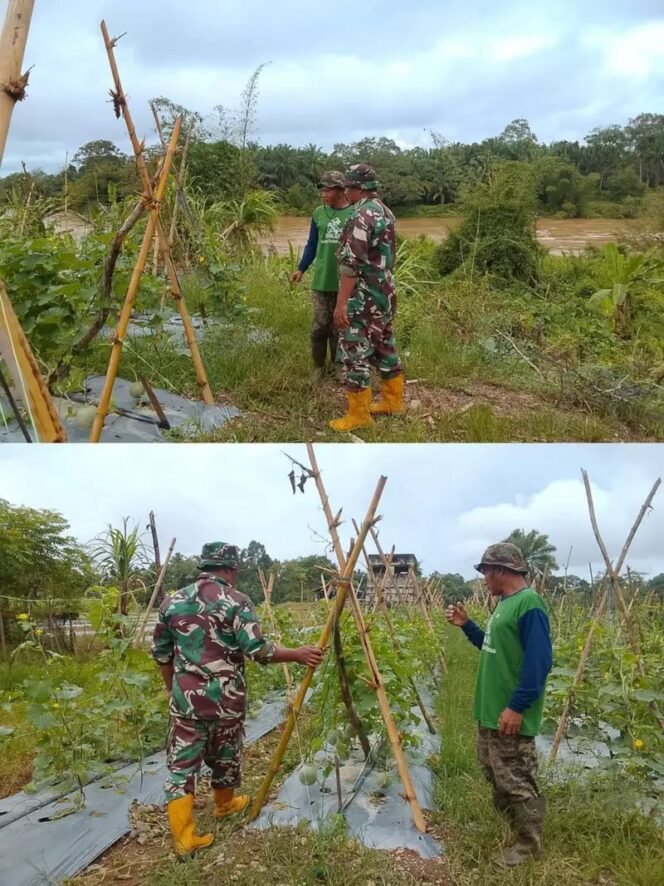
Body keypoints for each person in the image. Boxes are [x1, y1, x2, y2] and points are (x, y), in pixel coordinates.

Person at [151, 541, 325, 857]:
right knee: (226, 753)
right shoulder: (236, 601)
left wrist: (173, 691)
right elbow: (258, 650)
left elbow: (162, 655)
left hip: (186, 702)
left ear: (203, 566)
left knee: (182, 766)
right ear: (231, 570)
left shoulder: (171, 603)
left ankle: (184, 839)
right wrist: (297, 654)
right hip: (225, 701)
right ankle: (225, 804)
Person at [445, 543, 552, 867]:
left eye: (485, 573)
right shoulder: (504, 605)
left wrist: (517, 706)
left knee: (517, 779)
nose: (483, 580)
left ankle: (529, 845)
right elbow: (491, 646)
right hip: (491, 712)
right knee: (493, 771)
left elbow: (539, 661)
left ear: (499, 571)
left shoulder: (529, 604)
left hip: (509, 713)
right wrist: (467, 626)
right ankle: (516, 829)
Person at [329, 163, 405, 432]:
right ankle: (393, 401)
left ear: (358, 188)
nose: (345, 192)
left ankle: (358, 415)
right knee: (385, 343)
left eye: (348, 187)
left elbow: (351, 265)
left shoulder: (361, 216)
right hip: (386, 291)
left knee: (354, 352)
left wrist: (341, 304)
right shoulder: (385, 211)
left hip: (364, 296)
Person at [290, 171, 354, 380]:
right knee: (319, 328)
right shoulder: (318, 213)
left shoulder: (355, 214)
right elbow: (311, 244)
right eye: (322, 190)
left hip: (345, 283)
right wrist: (301, 268)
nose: (323, 194)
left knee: (339, 329)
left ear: (341, 190)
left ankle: (338, 367)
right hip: (321, 281)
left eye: (328, 189)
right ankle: (318, 367)